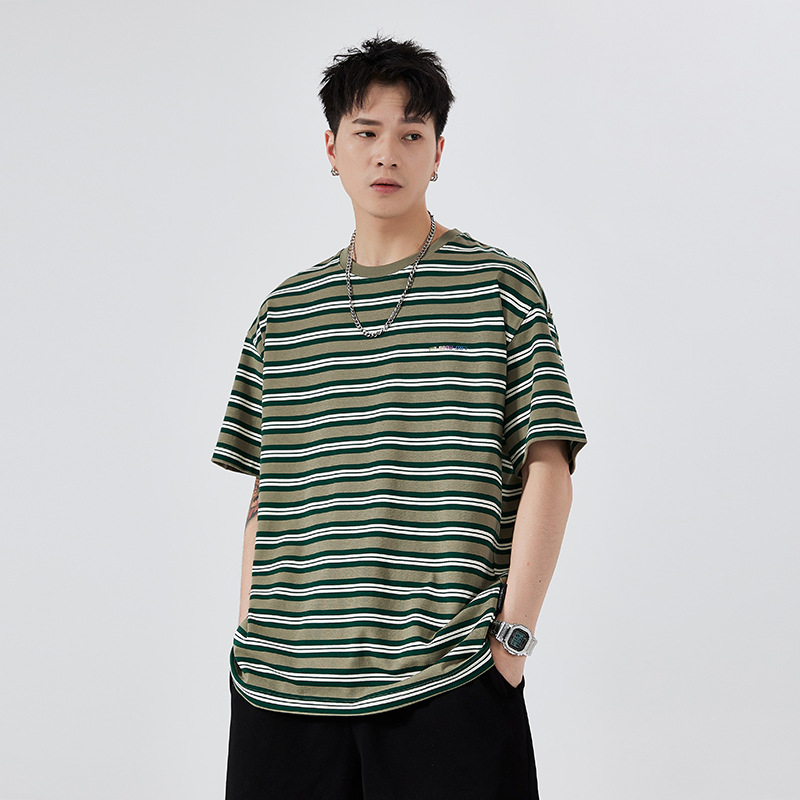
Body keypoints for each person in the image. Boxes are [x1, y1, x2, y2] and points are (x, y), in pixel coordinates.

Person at [212, 34, 587, 800]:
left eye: (411, 135)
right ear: (332, 147)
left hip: (446, 680)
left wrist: (510, 644)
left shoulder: (498, 288)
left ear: (438, 152)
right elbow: (266, 494)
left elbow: (548, 466)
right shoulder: (285, 313)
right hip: (281, 693)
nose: (387, 154)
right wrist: (252, 631)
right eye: (367, 132)